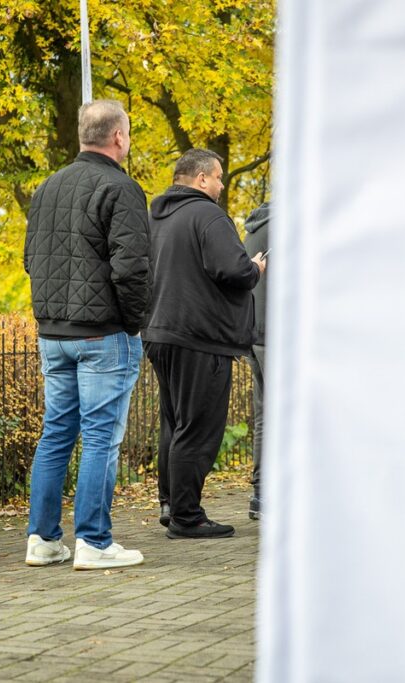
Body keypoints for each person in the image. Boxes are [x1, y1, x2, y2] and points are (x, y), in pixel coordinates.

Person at [23, 99, 152, 570]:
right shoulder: (122, 188)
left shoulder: (47, 188)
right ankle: (94, 543)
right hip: (103, 334)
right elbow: (132, 268)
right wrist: (134, 322)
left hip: (53, 332)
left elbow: (31, 261)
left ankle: (42, 540)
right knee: (100, 438)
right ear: (118, 136)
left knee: (56, 433)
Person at [144, 149, 266, 539]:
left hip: (160, 332)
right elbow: (233, 269)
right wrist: (256, 269)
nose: (221, 185)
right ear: (200, 179)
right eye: (218, 177)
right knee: (199, 428)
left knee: (175, 422)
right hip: (200, 337)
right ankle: (187, 516)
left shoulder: (156, 216)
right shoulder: (209, 216)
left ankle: (170, 503)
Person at [243, 202, 269, 520]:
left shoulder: (253, 228)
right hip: (281, 336)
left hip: (254, 332)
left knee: (263, 415)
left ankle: (261, 494)